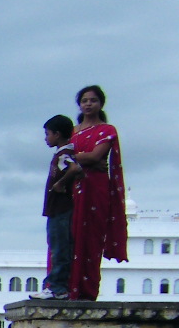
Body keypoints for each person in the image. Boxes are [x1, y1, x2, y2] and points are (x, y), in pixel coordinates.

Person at [65, 85, 127, 300]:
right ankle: (66, 288)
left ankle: (87, 292)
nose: (88, 104)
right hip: (72, 189)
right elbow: (64, 158)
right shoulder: (71, 131)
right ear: (79, 104)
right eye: (84, 100)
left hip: (96, 189)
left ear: (101, 103)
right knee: (69, 237)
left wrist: (75, 156)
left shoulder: (107, 130)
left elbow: (93, 156)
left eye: (93, 100)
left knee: (91, 239)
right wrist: (86, 157)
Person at [39, 114, 80, 299]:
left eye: (48, 134)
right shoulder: (62, 154)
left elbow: (75, 169)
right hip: (58, 208)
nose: (46, 138)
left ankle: (57, 287)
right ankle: (58, 286)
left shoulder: (64, 154)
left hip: (60, 208)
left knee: (59, 247)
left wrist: (60, 183)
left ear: (57, 134)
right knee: (59, 246)